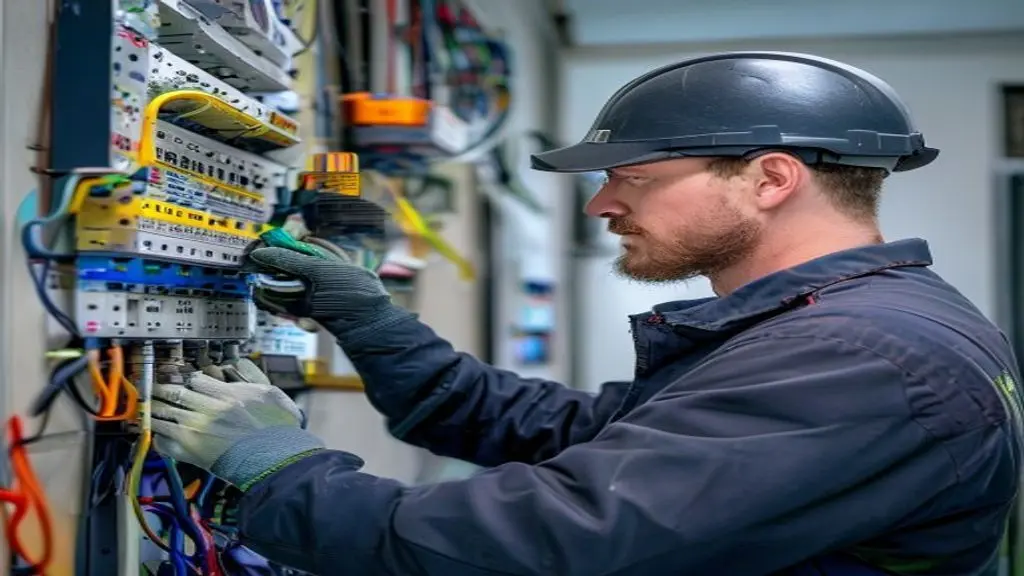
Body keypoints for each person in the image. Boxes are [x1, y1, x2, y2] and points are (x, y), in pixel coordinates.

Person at [150, 52, 1024, 575]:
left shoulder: (860, 355)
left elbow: (556, 545)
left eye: (631, 177)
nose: (600, 206)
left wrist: (282, 473)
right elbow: (570, 434)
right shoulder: (832, 326)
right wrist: (376, 323)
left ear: (770, 178)